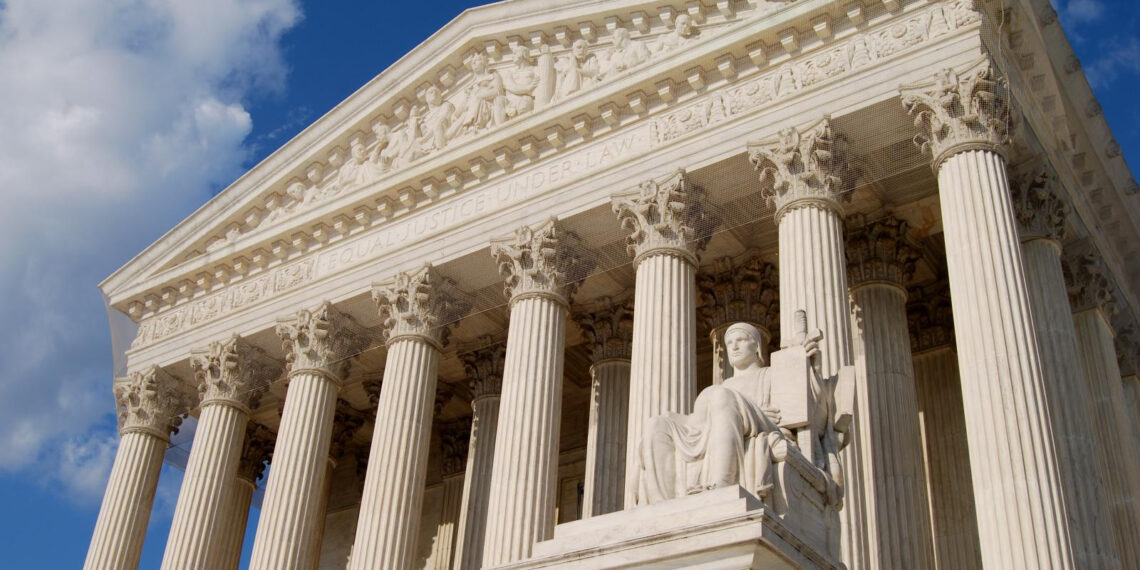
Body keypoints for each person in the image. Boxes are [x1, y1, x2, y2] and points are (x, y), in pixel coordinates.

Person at [636, 322, 787, 504]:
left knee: (722, 396)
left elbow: (797, 413)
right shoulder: (723, 387)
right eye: (729, 342)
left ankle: (721, 485)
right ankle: (660, 503)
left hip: (762, 426)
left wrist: (813, 367)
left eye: (740, 340)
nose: (734, 346)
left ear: (756, 345)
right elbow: (697, 422)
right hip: (712, 425)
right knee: (656, 424)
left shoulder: (771, 374)